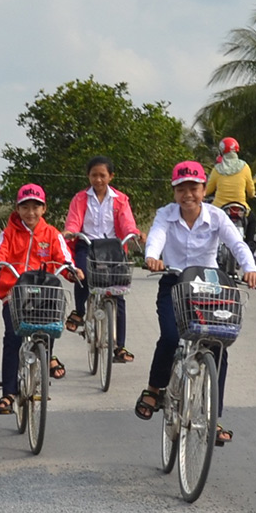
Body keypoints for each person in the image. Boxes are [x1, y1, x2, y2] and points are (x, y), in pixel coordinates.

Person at [136, 160, 256, 446]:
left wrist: (249, 268)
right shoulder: (166, 215)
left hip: (207, 286)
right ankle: (154, 389)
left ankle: (212, 416)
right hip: (174, 283)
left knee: (218, 345)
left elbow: (237, 244)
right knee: (169, 338)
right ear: (174, 191)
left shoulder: (217, 216)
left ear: (204, 189)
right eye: (181, 189)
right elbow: (155, 236)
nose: (187, 195)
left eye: (193, 188)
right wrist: (152, 256)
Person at [0, 183, 80, 415]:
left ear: (44, 209)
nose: (31, 212)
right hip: (14, 294)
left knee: (50, 328)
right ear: (17, 208)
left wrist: (73, 271)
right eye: (25, 207)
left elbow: (64, 259)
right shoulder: (9, 233)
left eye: (36, 207)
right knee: (12, 339)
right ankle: (8, 393)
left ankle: (45, 363)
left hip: (43, 293)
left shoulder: (52, 234)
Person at [63, 155, 143, 363]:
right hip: (87, 245)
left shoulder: (120, 199)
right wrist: (71, 231)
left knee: (119, 291)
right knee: (82, 273)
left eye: (102, 175)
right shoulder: (80, 198)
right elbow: (74, 220)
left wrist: (133, 233)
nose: (98, 180)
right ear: (88, 176)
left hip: (112, 248)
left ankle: (120, 346)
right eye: (94, 175)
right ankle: (80, 311)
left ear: (111, 176)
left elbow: (126, 222)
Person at [204, 137, 256, 249]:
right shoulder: (245, 167)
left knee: (206, 223)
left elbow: (208, 190)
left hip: (219, 207)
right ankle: (250, 247)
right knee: (252, 221)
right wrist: (252, 195)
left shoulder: (217, 169)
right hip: (241, 207)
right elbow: (251, 190)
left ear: (222, 151)